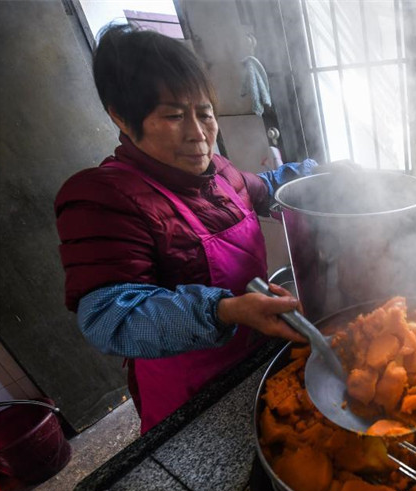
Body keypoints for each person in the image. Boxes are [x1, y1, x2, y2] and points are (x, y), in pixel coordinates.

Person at [55, 24, 314, 434]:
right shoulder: (100, 197)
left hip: (252, 359)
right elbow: (108, 318)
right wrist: (223, 310)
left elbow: (264, 187)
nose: (199, 135)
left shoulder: (219, 172)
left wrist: (321, 174)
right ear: (121, 117)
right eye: (174, 116)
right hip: (191, 392)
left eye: (204, 113)